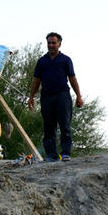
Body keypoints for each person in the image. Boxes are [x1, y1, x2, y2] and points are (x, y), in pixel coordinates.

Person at [27, 32, 83, 161]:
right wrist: (31, 97)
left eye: (54, 42)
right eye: (49, 43)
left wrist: (79, 96)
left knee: (65, 125)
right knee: (48, 126)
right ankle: (51, 155)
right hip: (46, 97)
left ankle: (65, 153)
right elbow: (36, 80)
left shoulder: (65, 60)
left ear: (59, 44)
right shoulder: (42, 61)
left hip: (62, 95)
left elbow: (72, 78)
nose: (51, 45)